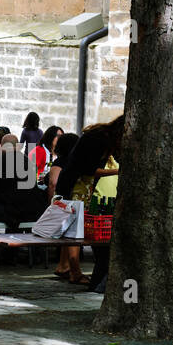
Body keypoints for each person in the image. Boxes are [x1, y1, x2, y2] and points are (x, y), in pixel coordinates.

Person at [56, 116, 125, 291]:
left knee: (74, 227)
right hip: (75, 184)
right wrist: (118, 171)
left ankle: (67, 267)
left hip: (81, 185)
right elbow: (88, 169)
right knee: (75, 229)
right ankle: (74, 272)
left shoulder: (103, 137)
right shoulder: (97, 139)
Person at [46, 132, 82, 282]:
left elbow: (52, 183)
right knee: (74, 235)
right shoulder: (75, 162)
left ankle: (63, 265)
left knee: (67, 235)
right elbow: (54, 182)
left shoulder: (60, 161)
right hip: (71, 202)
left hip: (63, 202)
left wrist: (51, 203)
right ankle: (74, 271)